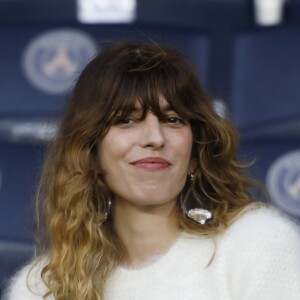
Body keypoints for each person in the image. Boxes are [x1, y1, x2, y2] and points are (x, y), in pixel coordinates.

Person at [5, 42, 300, 300]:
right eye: (126, 121)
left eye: (173, 120)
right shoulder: (41, 289)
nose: (154, 138)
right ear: (90, 154)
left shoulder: (258, 246)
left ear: (195, 153)